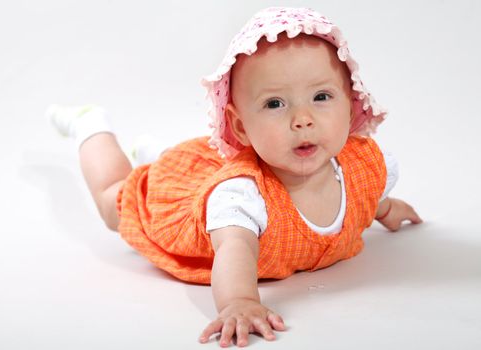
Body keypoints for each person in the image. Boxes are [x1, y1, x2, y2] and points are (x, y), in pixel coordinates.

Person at [47, 7, 422, 347]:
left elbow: (360, 194)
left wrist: (383, 207)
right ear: (241, 128)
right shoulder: (242, 197)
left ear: (350, 102)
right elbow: (235, 249)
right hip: (190, 204)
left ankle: (155, 152)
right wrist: (240, 301)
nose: (302, 119)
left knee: (185, 164)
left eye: (321, 96)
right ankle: (91, 125)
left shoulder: (365, 166)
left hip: (214, 167)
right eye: (275, 103)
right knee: (114, 200)